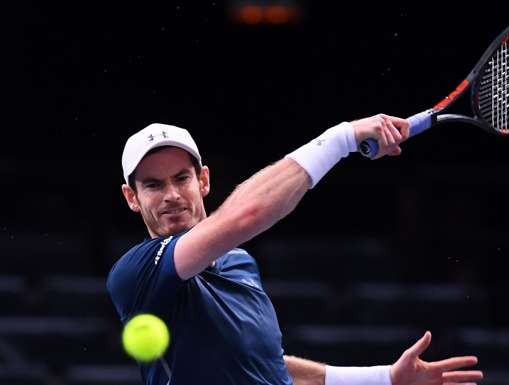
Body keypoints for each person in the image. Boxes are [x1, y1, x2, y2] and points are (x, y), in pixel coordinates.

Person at [107, 116, 484, 385]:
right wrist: (343, 137)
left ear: (203, 180)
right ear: (132, 198)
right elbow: (246, 215)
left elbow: (266, 366)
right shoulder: (136, 272)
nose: (172, 195)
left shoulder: (240, 263)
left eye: (182, 178)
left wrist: (382, 378)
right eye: (154, 185)